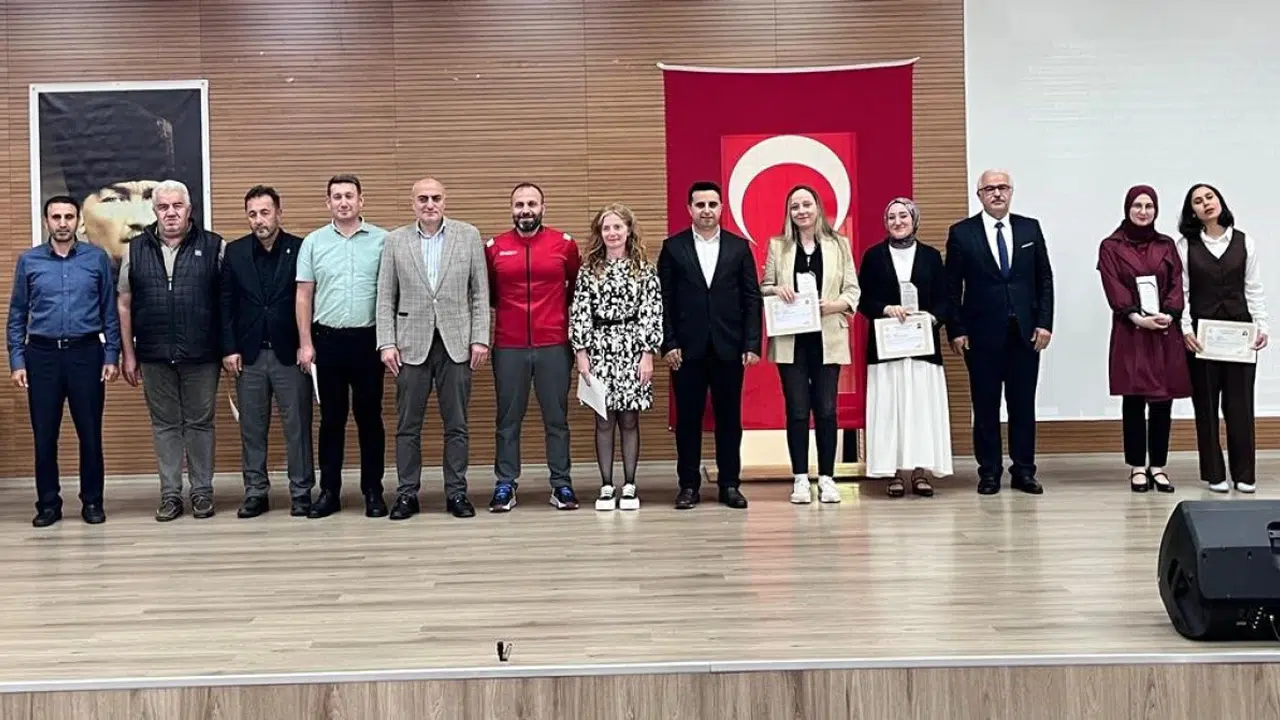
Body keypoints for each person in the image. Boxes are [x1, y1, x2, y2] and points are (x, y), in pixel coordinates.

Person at [376, 178, 489, 520]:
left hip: (457, 344)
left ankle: (456, 493)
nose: (429, 204)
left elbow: (480, 293)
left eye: (435, 198)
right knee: (408, 426)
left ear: (445, 200)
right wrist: (386, 342)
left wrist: (480, 337)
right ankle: (407, 494)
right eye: (423, 198)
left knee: (457, 424)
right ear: (413, 203)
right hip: (410, 346)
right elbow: (385, 297)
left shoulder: (468, 235)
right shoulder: (395, 241)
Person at [7, 195, 120, 526]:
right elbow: (17, 314)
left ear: (78, 221)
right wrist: (17, 359)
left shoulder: (96, 259)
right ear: (46, 221)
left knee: (90, 434)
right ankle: (48, 505)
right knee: (44, 436)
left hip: (86, 354)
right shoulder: (29, 261)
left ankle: (93, 502)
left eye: (68, 217)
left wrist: (111, 354)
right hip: (41, 356)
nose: (62, 223)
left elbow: (109, 311)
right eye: (56, 217)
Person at [117, 179, 226, 521]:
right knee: (164, 425)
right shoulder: (135, 249)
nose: (171, 213)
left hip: (202, 353)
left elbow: (226, 303)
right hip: (153, 354)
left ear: (189, 209)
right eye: (163, 207)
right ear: (155, 211)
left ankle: (202, 492)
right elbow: (124, 303)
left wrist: (227, 349)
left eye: (177, 206)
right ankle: (170, 495)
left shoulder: (214, 246)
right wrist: (129, 353)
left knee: (200, 423)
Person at [944, 169, 1054, 495]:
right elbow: (952, 287)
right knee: (985, 405)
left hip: (1025, 333)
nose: (997, 193)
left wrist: (1045, 323)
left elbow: (1044, 279)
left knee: (1023, 405)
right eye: (989, 188)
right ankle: (989, 472)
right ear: (979, 194)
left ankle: (1024, 471)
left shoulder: (1029, 228)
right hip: (980, 335)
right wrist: (956, 329)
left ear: (1011, 192)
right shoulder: (962, 233)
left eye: (1002, 187)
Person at [657, 180, 760, 510]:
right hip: (685, 351)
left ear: (721, 208)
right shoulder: (673, 247)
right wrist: (668, 343)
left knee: (729, 420)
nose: (706, 210)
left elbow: (751, 298)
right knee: (688, 421)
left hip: (729, 347)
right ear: (689, 209)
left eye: (712, 204)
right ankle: (688, 486)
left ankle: (729, 484)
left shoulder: (738, 248)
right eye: (700, 205)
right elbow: (663, 300)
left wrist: (752, 343)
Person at [760, 185, 861, 504]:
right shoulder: (778, 245)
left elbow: (853, 290)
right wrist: (777, 290)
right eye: (795, 206)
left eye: (807, 204)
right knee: (797, 410)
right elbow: (763, 287)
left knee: (827, 409)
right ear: (788, 213)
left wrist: (834, 305)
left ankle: (828, 478)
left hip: (827, 337)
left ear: (818, 207)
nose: (801, 211)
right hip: (791, 340)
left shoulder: (839, 244)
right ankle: (801, 478)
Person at [484, 182, 582, 512]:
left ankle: (561, 484)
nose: (525, 210)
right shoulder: (494, 248)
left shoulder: (564, 244)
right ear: (511, 209)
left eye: (532, 204)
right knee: (507, 419)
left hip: (554, 343)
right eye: (519, 204)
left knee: (557, 419)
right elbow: (490, 294)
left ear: (543, 207)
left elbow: (575, 289)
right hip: (509, 346)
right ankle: (505, 484)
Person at [296, 174, 389, 518]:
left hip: (369, 341)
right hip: (327, 342)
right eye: (337, 196)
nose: (344, 202)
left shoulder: (383, 240)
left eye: (349, 195)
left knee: (370, 418)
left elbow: (392, 292)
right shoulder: (314, 242)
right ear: (328, 203)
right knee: (331, 420)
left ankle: (373, 491)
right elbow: (303, 295)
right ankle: (329, 492)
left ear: (361, 201)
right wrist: (305, 343)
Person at [220, 185, 315, 518]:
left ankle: (301, 491)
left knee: (298, 426)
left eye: (265, 212)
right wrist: (229, 348)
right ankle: (256, 492)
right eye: (252, 214)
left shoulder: (301, 249)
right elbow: (225, 304)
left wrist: (307, 344)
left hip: (290, 353)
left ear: (278, 213)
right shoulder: (234, 252)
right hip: (249, 356)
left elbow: (310, 299)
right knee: (252, 428)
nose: (259, 220)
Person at [569, 203, 663, 511]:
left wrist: (647, 354)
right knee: (604, 418)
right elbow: (580, 312)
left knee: (630, 419)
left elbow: (652, 312)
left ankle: (630, 485)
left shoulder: (644, 269)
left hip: (633, 349)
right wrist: (581, 353)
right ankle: (607, 485)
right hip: (599, 348)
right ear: (600, 232)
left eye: (617, 227)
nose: (612, 233)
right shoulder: (589, 270)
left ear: (628, 230)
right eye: (606, 228)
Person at [1096, 185, 1190, 493]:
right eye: (1137, 205)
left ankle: (1158, 466)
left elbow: (1177, 283)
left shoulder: (1166, 244)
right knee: (1134, 398)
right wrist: (1136, 317)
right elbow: (1113, 285)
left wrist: (1170, 315)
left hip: (1163, 330)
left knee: (1163, 399)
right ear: (1127, 208)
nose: (1143, 211)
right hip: (1132, 330)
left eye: (1149, 206)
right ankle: (1137, 466)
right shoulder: (1111, 246)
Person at [1176, 183, 1268, 494]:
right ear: (1193, 212)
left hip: (1240, 333)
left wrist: (1262, 326)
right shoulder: (1185, 246)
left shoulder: (1244, 242)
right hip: (1202, 335)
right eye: (1197, 201)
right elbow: (1183, 292)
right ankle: (1214, 472)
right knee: (1206, 406)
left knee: (1241, 405)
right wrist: (1185, 329)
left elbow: (1253, 288)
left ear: (1220, 202)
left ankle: (1245, 473)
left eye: (1209, 197)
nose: (1205, 203)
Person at [858, 197, 952, 496]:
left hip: (922, 346)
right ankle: (895, 472)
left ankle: (920, 472)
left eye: (903, 216)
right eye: (891, 217)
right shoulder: (874, 256)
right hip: (887, 348)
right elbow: (861, 298)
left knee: (921, 409)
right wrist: (885, 309)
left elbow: (945, 298)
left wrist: (932, 318)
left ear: (914, 220)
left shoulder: (931, 256)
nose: (897, 222)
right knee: (891, 410)